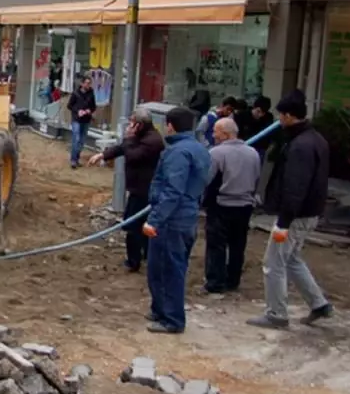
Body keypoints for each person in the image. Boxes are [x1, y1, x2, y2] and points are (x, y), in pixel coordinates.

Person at [248, 90, 333, 330]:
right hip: (310, 212)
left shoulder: (300, 146)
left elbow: (295, 185)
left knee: (273, 262)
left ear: (288, 115)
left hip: (295, 215)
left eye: (280, 116)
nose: (278, 120)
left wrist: (283, 222)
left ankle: (276, 313)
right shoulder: (316, 139)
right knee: (292, 258)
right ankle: (319, 303)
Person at [142, 106, 211, 334]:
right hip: (187, 216)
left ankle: (171, 319)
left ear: (170, 125)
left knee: (166, 269)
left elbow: (173, 190)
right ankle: (160, 310)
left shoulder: (177, 153)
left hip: (171, 220)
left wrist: (155, 219)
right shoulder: (199, 149)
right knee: (169, 266)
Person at [88, 109, 165, 272]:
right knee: (142, 225)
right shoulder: (141, 137)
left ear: (140, 124)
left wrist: (129, 138)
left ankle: (133, 261)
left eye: (131, 123)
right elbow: (121, 148)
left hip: (144, 190)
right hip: (139, 188)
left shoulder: (153, 141)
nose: (129, 126)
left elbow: (132, 155)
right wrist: (102, 155)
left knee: (133, 225)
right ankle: (145, 255)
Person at [202, 117, 261, 294]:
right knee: (238, 244)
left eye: (216, 131)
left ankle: (215, 282)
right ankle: (233, 280)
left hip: (222, 203)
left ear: (225, 134)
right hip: (245, 204)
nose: (213, 135)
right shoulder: (253, 152)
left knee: (216, 244)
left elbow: (207, 178)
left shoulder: (217, 153)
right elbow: (256, 177)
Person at [66, 76, 96, 169]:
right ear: (82, 84)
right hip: (76, 119)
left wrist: (89, 110)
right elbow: (69, 106)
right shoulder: (75, 94)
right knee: (77, 138)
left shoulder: (91, 94)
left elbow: (94, 106)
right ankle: (73, 160)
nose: (88, 85)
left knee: (82, 141)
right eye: (86, 83)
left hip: (86, 120)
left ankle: (77, 158)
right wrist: (78, 111)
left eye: (89, 83)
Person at [244, 95, 275, 161]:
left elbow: (268, 135)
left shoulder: (268, 117)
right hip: (244, 148)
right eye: (258, 111)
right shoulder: (243, 115)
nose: (260, 115)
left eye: (263, 113)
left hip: (260, 149)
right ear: (254, 107)